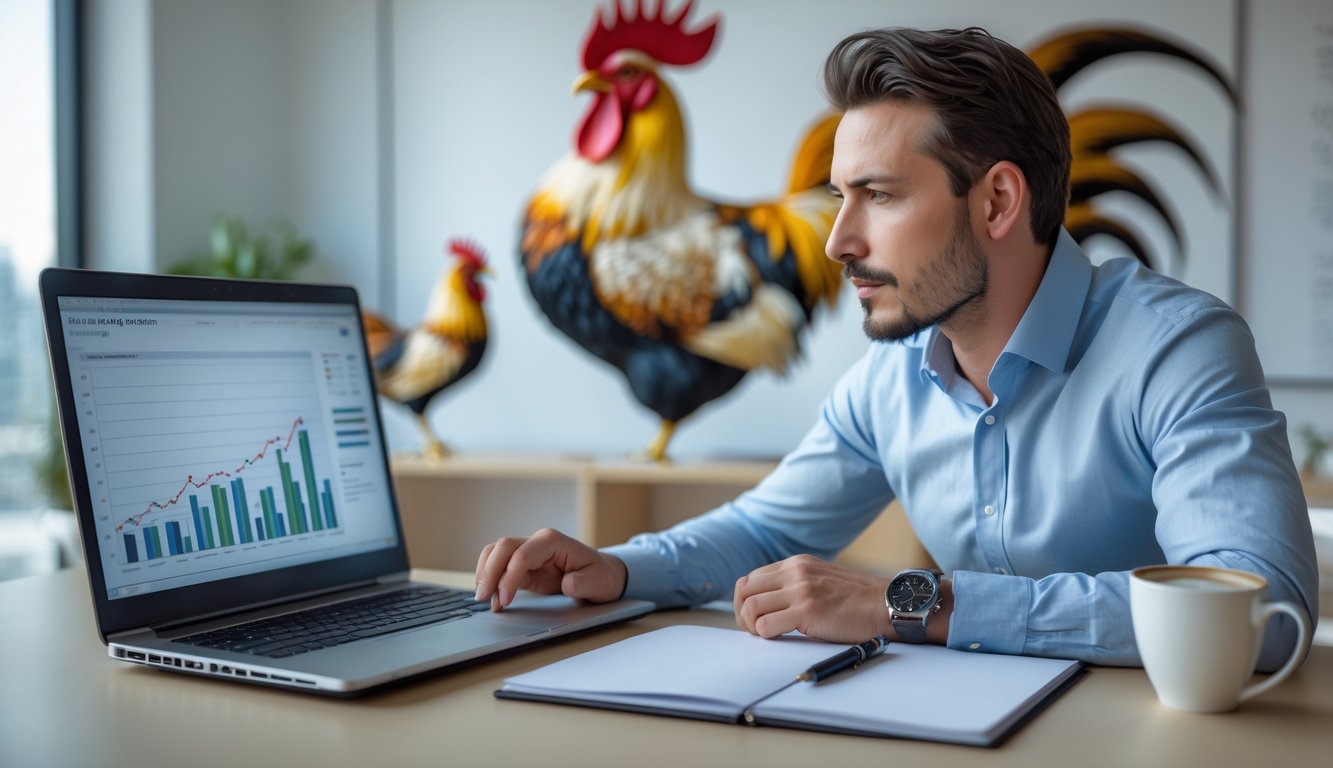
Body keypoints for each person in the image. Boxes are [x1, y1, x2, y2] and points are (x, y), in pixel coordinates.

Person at [474, 26, 1318, 667]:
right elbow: (763, 531)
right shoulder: (888, 380)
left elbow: (1255, 607)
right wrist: (614, 569)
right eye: (840, 197)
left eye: (876, 195)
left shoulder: (1177, 349)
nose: (838, 239)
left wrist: (913, 601)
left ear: (995, 203)